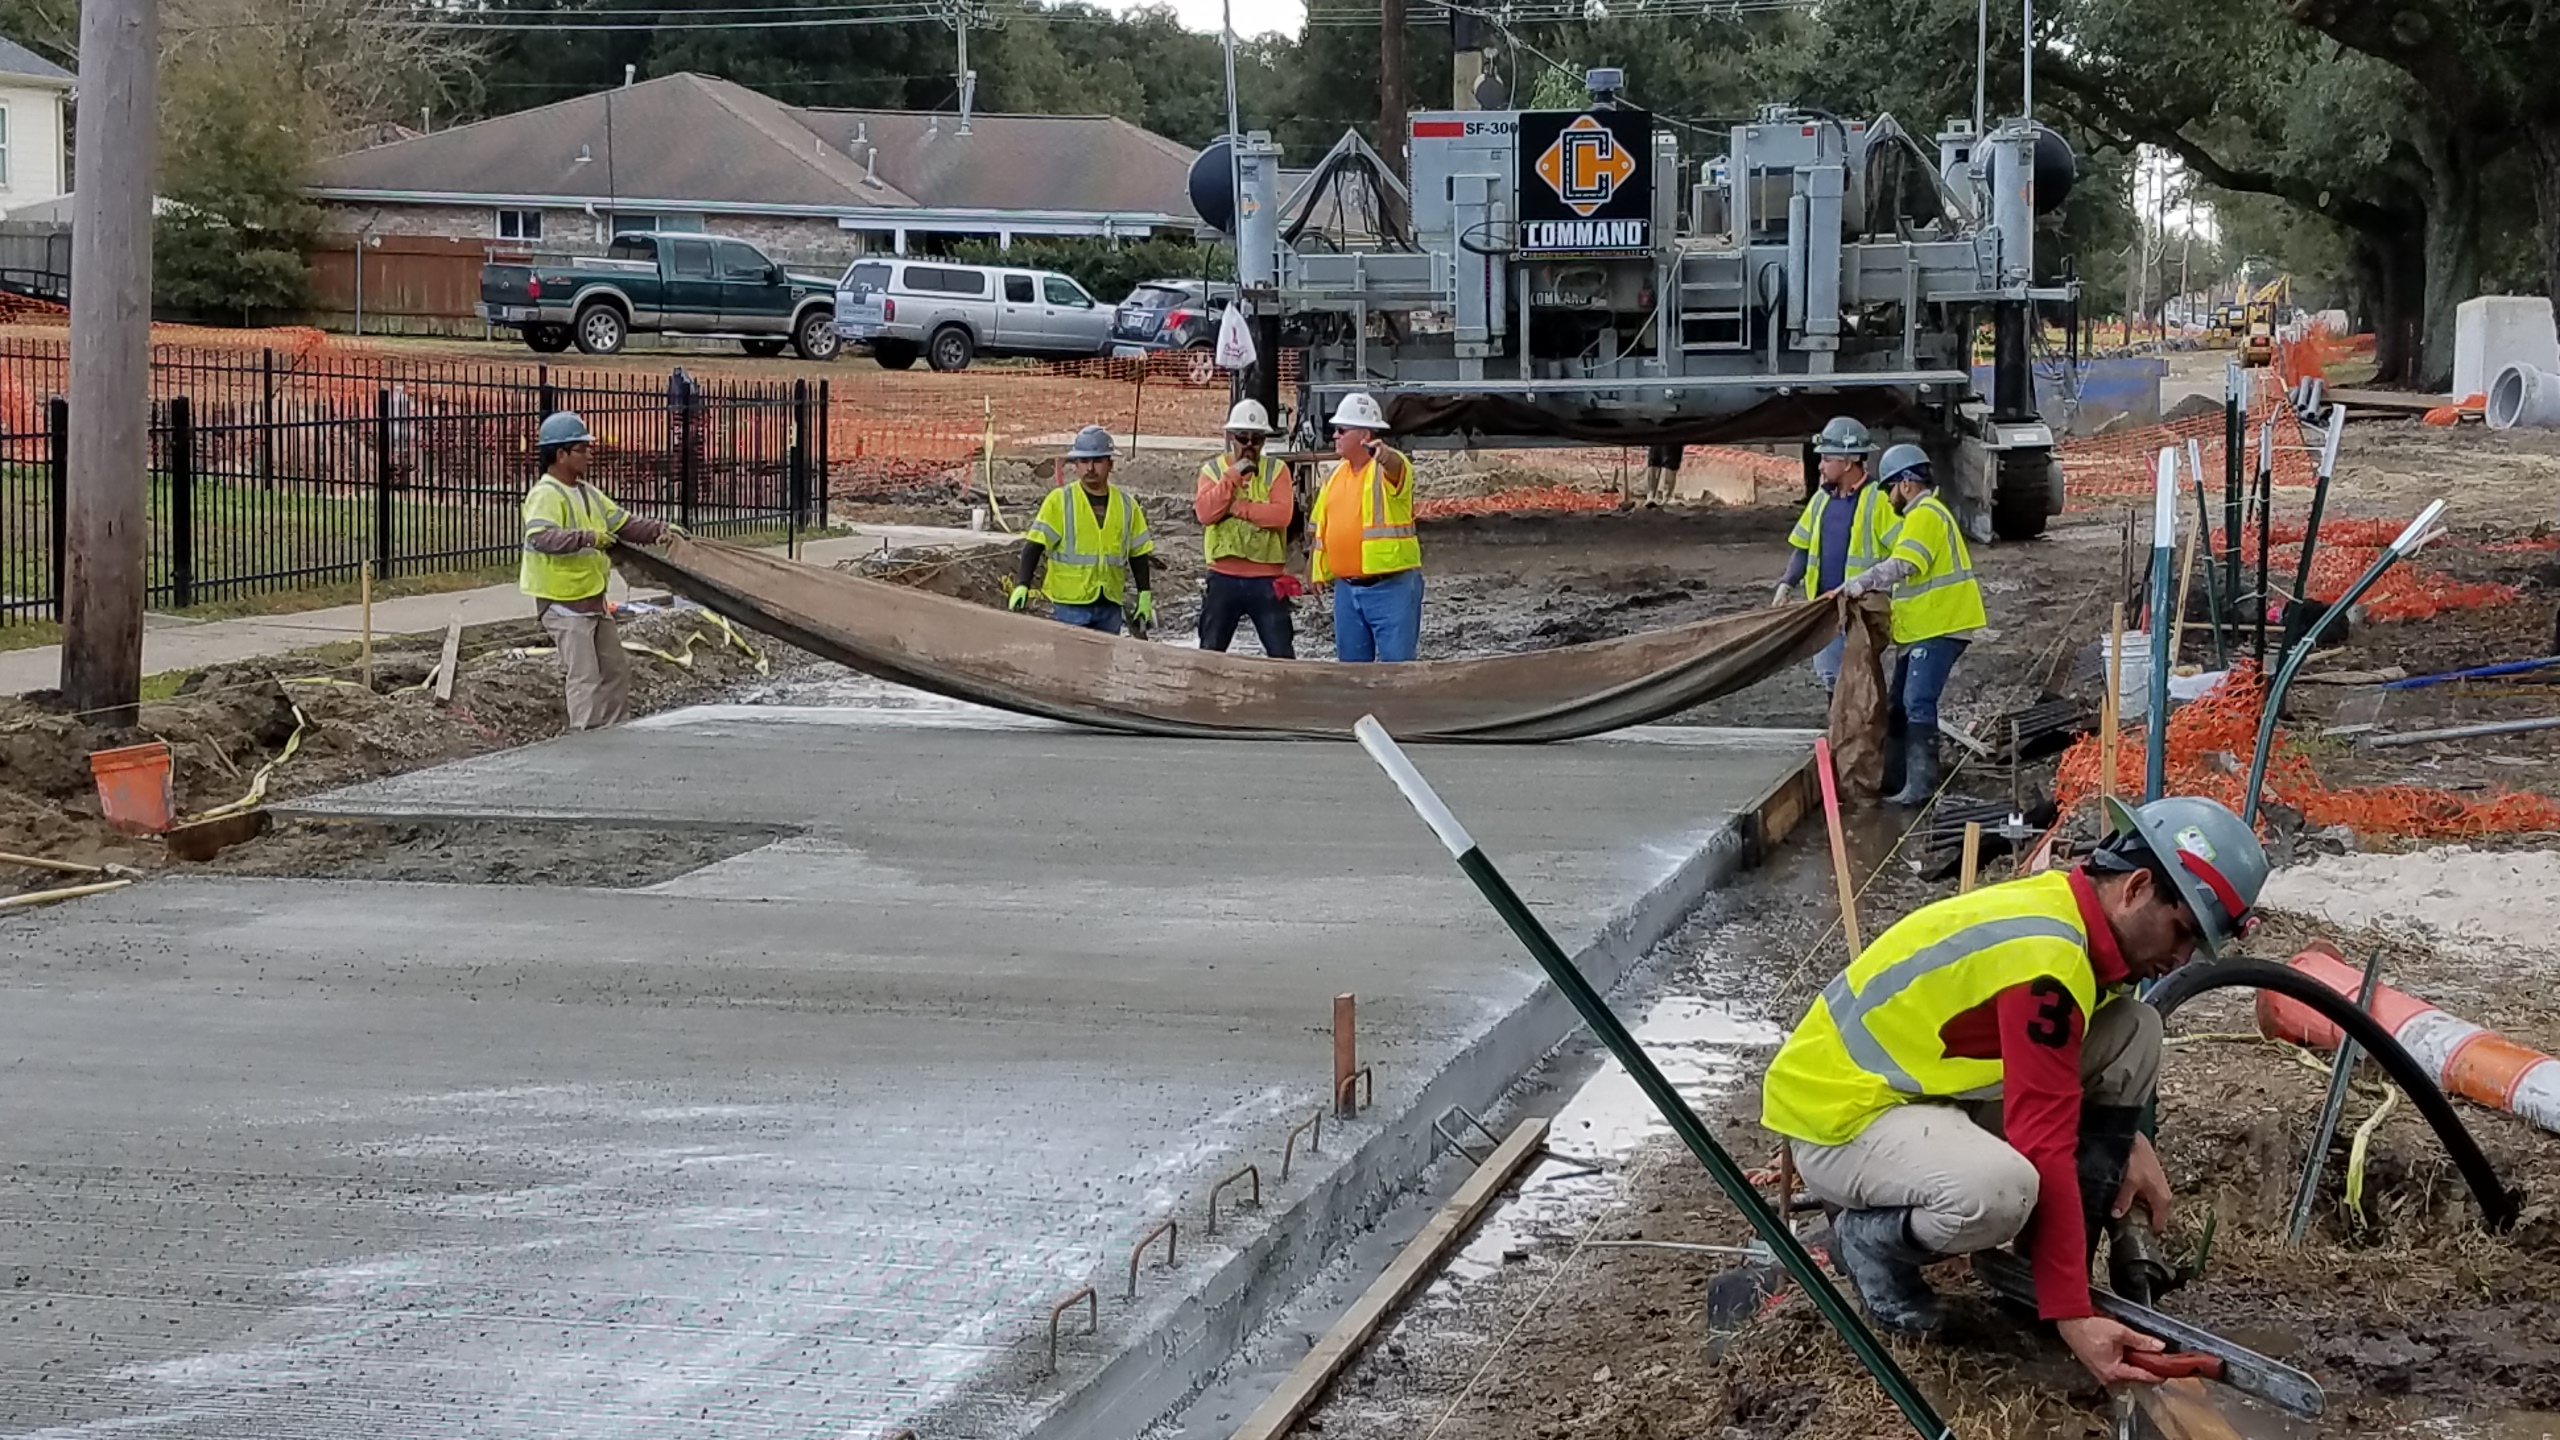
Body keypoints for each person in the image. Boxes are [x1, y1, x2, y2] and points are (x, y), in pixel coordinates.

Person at [1760, 794, 2268, 1387]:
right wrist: (2075, 1316)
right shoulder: (2046, 960)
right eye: (2181, 931)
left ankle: (2041, 1278)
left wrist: (2128, 1142)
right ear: (2135, 888)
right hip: (1841, 1116)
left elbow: (2072, 1069)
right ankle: (1866, 1244)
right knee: (1999, 1192)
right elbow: (2044, 1137)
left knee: (2135, 1030)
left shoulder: (2077, 920)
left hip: (1922, 1090)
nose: (2181, 957)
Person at [1842, 443, 1989, 806]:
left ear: (1906, 484)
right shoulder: (1922, 517)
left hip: (1940, 625)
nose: (1888, 497)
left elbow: (1904, 565)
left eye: (1890, 487)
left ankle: (1920, 788)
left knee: (1917, 702)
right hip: (1924, 629)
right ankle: (1894, 781)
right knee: (1898, 705)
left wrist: (1860, 583)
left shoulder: (1925, 515)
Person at [519, 410, 677, 731]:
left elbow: (625, 523)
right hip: (562, 603)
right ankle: (586, 740)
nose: (589, 455)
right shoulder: (546, 494)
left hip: (591, 600)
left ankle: (614, 733)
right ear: (561, 454)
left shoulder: (588, 492)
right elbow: (541, 537)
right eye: (582, 449)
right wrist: (588, 537)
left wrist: (660, 530)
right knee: (585, 677)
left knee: (614, 671)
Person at [1776, 416, 1896, 691]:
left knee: (1859, 678)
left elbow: (1901, 557)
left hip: (1859, 609)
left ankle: (1860, 732)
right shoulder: (1821, 499)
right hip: (1826, 608)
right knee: (1832, 678)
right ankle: (1839, 730)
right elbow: (1804, 547)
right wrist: (1787, 582)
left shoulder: (1879, 500)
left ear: (1848, 460)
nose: (1820, 465)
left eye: (1827, 459)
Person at [1309, 392, 1423, 662]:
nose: (1334, 435)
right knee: (1353, 675)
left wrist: (1385, 455)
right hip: (1347, 591)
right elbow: (1321, 529)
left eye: (1340, 430)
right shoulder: (1335, 475)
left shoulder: (1385, 469)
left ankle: (1395, 707)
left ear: (1363, 435)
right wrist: (1315, 568)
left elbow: (1397, 469)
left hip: (1390, 588)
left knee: (1397, 670)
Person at [1012, 425, 1156, 635]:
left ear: (1110, 464)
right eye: (1084, 461)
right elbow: (1034, 545)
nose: (1090, 468)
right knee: (1071, 665)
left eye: (1097, 461)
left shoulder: (1126, 506)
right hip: (1069, 604)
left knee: (1102, 665)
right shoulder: (1060, 501)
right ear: (1076, 465)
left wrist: (1145, 594)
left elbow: (1138, 554)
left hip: (1109, 603)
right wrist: (1022, 584)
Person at [1194, 399, 1298, 658]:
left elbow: (1281, 515)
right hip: (1223, 577)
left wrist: (1236, 507)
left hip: (1266, 579)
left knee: (1281, 653)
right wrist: (1232, 477)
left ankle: (1288, 697)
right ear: (1231, 438)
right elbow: (1206, 513)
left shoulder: (1277, 471)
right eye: (1243, 438)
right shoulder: (1214, 471)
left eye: (1257, 439)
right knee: (1210, 653)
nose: (1250, 446)